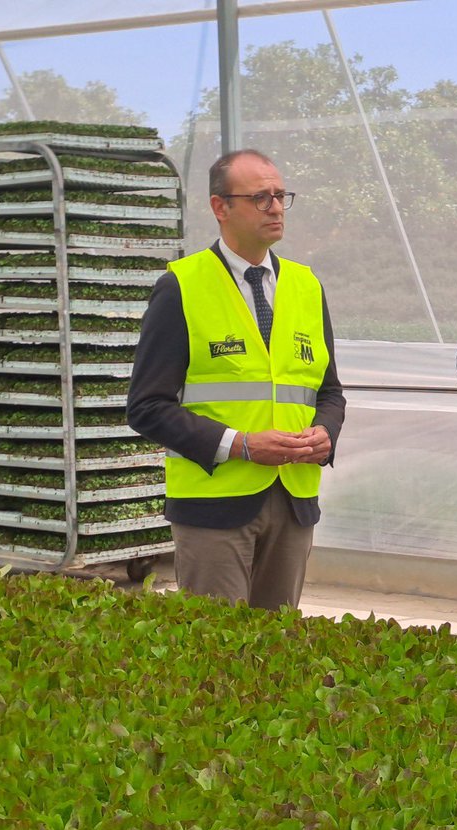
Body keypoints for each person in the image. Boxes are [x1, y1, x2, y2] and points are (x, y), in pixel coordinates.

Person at [127, 149, 345, 610]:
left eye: (281, 196)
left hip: (293, 499)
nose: (276, 207)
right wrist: (240, 444)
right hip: (214, 505)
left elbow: (329, 391)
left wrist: (326, 432)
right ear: (220, 207)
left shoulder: (307, 286)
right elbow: (147, 406)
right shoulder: (181, 286)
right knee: (218, 657)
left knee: (277, 651)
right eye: (260, 198)